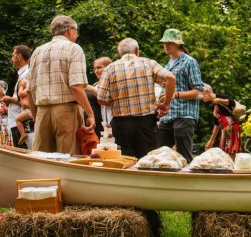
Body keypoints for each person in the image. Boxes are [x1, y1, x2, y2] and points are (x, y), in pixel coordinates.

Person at [27, 15, 95, 154]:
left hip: (42, 111)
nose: (77, 35)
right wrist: (90, 114)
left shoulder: (37, 51)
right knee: (67, 159)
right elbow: (76, 85)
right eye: (76, 31)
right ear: (70, 30)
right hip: (67, 111)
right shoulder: (74, 48)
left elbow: (29, 90)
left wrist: (36, 117)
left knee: (41, 158)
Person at [98, 38, 175, 158]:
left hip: (120, 124)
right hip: (146, 124)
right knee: (147, 162)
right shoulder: (149, 63)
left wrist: (117, 101)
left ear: (120, 53)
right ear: (137, 50)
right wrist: (166, 104)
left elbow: (101, 98)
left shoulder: (110, 68)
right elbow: (170, 78)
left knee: (124, 162)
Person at [157, 29, 204, 162]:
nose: (166, 45)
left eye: (169, 42)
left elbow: (198, 91)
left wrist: (176, 95)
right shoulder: (166, 65)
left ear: (178, 44)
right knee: (161, 156)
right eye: (164, 42)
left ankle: (188, 182)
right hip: (167, 116)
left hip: (185, 116)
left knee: (184, 157)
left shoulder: (190, 62)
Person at [1, 45, 32, 149]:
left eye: (13, 55)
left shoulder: (26, 74)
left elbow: (26, 99)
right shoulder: (23, 73)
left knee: (23, 154)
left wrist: (8, 99)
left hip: (22, 122)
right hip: (17, 121)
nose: (11, 59)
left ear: (19, 56)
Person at [202, 84, 243, 157]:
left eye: (202, 94)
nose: (201, 97)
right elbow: (216, 124)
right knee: (225, 153)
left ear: (207, 92)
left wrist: (219, 100)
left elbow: (232, 101)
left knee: (231, 152)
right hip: (224, 130)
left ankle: (233, 167)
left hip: (231, 127)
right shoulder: (214, 105)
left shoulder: (218, 96)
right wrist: (211, 140)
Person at [86, 56, 112, 136]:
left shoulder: (112, 82)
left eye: (99, 68)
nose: (96, 71)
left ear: (108, 68)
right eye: (95, 69)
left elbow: (109, 98)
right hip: (97, 123)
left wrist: (92, 89)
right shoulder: (96, 84)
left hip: (110, 121)